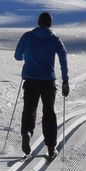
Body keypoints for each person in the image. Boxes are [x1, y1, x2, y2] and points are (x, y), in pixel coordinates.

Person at [14, 11, 70, 160]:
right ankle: (51, 147)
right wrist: (65, 79)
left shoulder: (27, 36)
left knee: (29, 109)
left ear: (38, 22)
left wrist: (28, 56)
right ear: (50, 24)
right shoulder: (54, 39)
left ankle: (27, 133)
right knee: (48, 112)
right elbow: (63, 57)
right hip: (47, 81)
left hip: (31, 79)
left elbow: (17, 55)